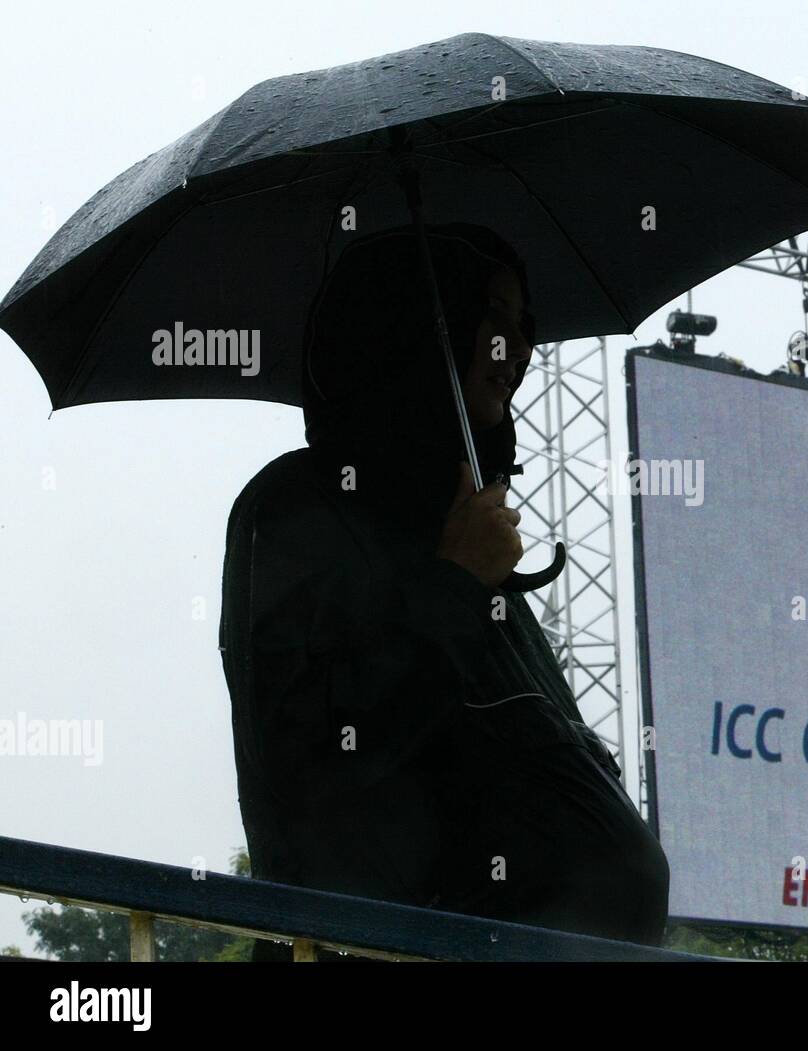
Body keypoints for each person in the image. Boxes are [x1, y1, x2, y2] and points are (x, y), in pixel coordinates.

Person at [218, 224, 669, 961]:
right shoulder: (298, 507)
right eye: (489, 316)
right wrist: (454, 583)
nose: (518, 349)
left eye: (524, 326)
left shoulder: (464, 530)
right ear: (410, 325)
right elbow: (313, 764)